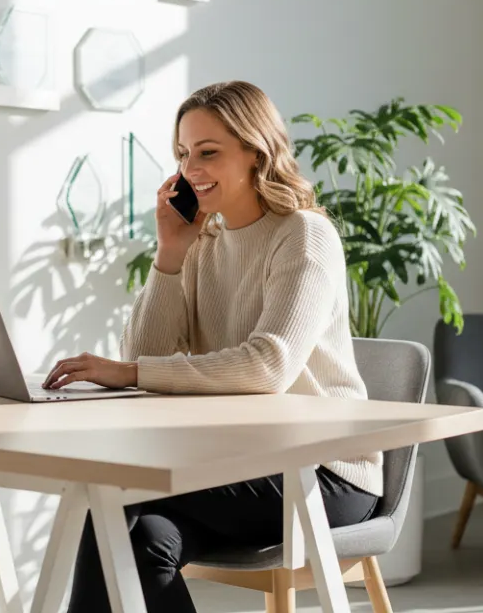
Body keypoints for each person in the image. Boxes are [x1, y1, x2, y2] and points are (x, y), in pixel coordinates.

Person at [43, 81, 381, 612]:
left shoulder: (304, 236)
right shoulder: (203, 241)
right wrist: (170, 253)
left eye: (208, 152)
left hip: (324, 472)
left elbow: (269, 365)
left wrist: (131, 372)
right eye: (182, 153)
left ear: (256, 152)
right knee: (136, 539)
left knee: (110, 501)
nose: (190, 168)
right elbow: (148, 349)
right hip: (235, 465)